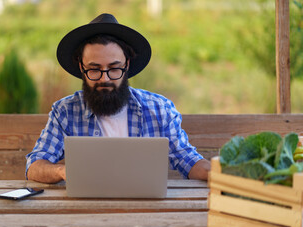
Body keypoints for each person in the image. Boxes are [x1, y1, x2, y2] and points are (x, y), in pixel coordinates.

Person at [26, 13, 211, 183]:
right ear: (82, 67)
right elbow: (34, 166)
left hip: (147, 211)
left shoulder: (159, 109)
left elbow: (188, 160)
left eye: (114, 68)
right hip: (85, 210)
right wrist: (62, 171)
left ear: (127, 64)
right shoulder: (65, 111)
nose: (104, 78)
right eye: (94, 69)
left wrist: (220, 175)